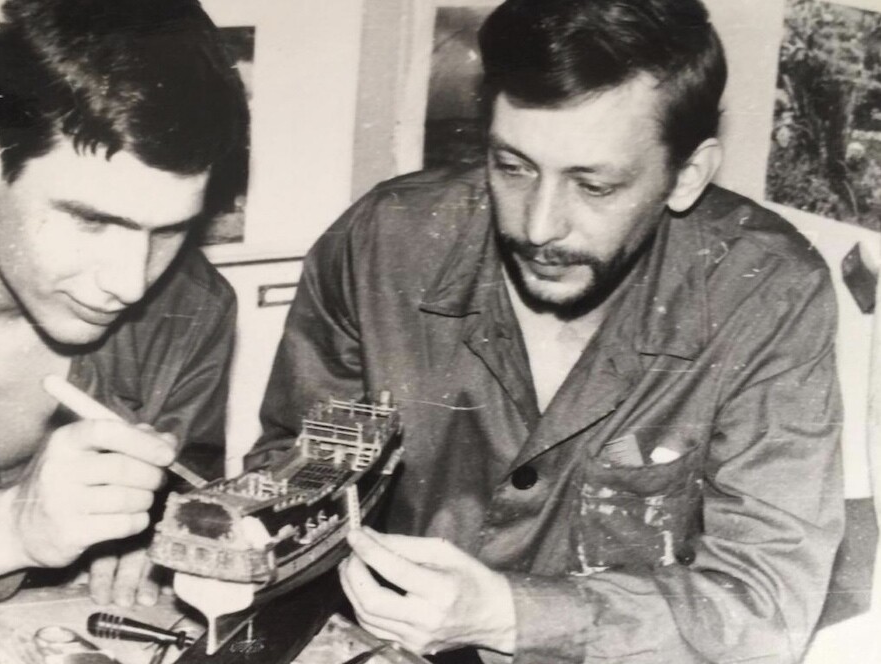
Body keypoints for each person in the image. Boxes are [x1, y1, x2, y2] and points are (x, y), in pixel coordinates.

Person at [250, 0, 844, 661]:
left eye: (594, 186)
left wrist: (511, 617)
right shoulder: (381, 242)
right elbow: (295, 475)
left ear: (687, 176)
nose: (538, 226)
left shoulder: (766, 293)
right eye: (513, 166)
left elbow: (766, 607)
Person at [0, 0, 246, 609]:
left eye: (169, 230)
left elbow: (190, 493)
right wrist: (9, 529)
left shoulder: (192, 314)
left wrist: (160, 526)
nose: (130, 284)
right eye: (92, 220)